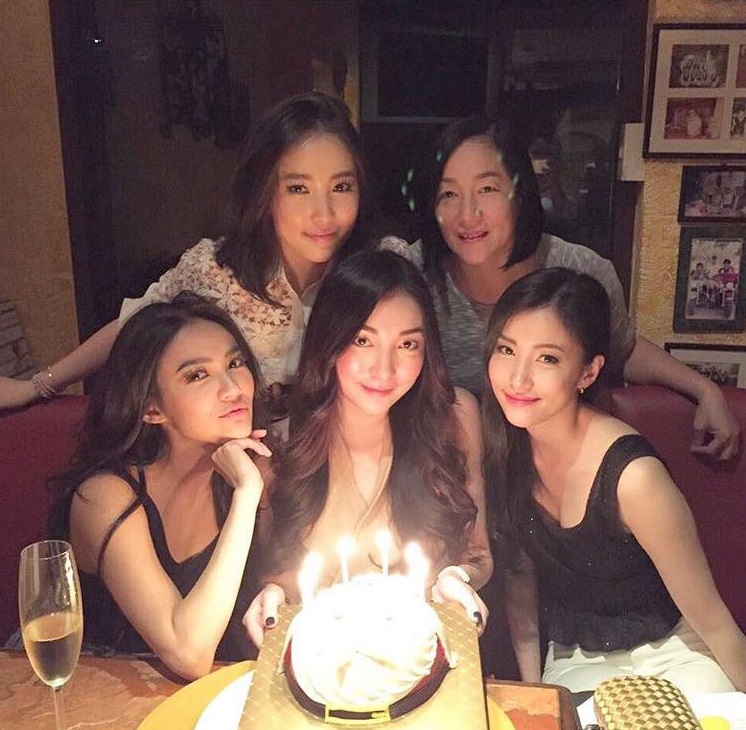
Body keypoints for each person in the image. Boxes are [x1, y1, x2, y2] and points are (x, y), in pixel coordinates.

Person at [384, 114, 738, 460]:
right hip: (447, 470)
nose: (467, 214)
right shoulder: (411, 276)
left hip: (554, 469)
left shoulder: (577, 270)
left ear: (519, 193)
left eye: (487, 189)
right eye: (448, 193)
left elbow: (620, 348)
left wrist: (705, 390)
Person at [0, 91, 372, 417]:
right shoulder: (217, 270)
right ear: (264, 192)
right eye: (298, 189)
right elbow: (135, 323)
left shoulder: (380, 273)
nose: (324, 214)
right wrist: (38, 386)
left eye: (341, 186)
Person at [483, 267, 746, 693]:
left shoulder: (633, 477)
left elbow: (712, 619)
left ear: (588, 373)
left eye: (547, 358)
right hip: (576, 658)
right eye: (507, 349)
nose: (518, 378)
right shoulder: (502, 450)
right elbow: (519, 583)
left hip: (673, 653)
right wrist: (535, 693)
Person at [244, 250, 492, 648]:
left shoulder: (453, 420)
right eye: (363, 340)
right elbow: (278, 573)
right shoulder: (279, 446)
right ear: (329, 341)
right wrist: (276, 595)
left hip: (421, 654)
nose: (384, 368)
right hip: (321, 657)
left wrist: (455, 578)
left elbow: (477, 553)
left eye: (408, 344)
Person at [47, 293, 273, 680]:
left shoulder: (258, 466)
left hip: (224, 692)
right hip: (109, 695)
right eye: (197, 375)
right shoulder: (105, 497)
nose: (233, 388)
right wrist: (246, 495)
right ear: (152, 409)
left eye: (235, 363)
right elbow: (188, 653)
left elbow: (287, 577)